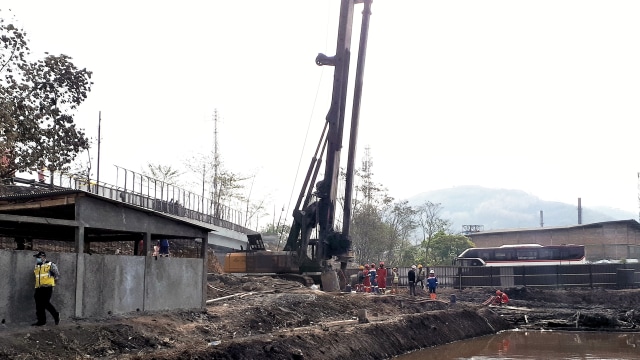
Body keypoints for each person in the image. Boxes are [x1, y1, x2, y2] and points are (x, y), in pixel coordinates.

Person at [32, 251, 60, 326]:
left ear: (43, 257)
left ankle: (55, 315)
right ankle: (41, 321)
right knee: (38, 305)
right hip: (38, 288)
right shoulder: (37, 266)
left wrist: (53, 284)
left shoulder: (50, 264)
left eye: (38, 257)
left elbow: (56, 275)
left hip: (47, 287)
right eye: (37, 258)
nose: (37, 259)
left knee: (45, 303)